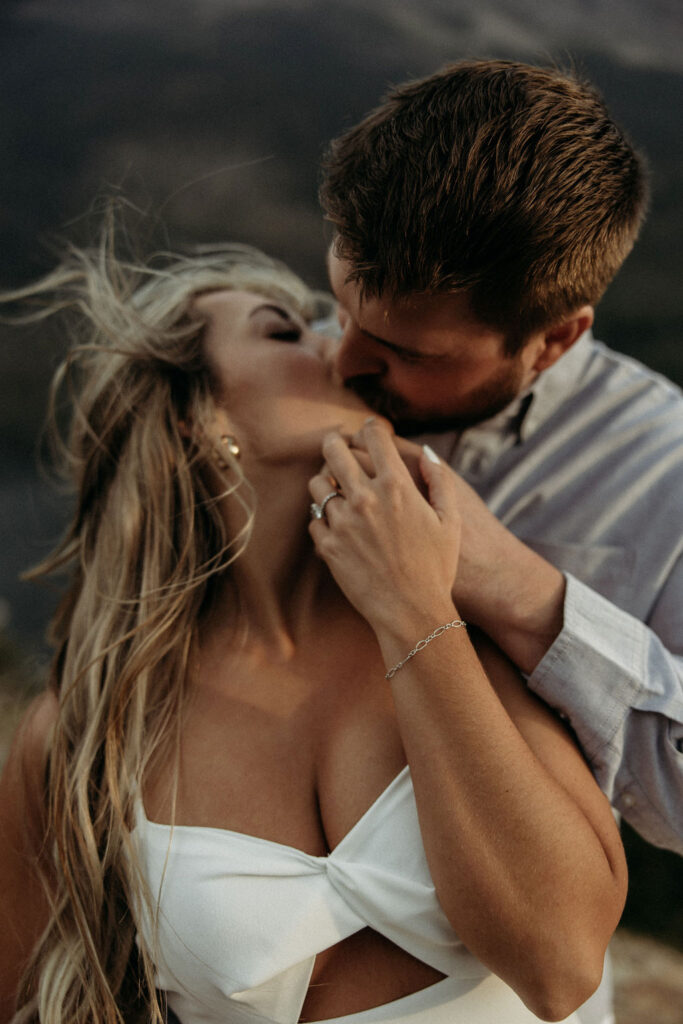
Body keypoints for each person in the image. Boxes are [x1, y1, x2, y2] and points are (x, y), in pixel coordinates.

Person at [0, 234, 627, 1024]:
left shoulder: (467, 620)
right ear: (199, 417)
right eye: (284, 332)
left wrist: (412, 612)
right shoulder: (89, 728)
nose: (338, 351)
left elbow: (561, 962)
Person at [319, 59, 683, 860]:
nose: (340, 363)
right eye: (339, 307)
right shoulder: (297, 364)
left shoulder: (666, 472)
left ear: (554, 340)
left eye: (402, 352)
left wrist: (521, 593)